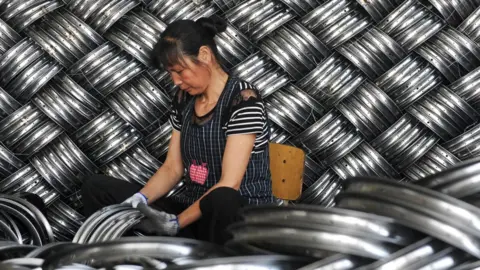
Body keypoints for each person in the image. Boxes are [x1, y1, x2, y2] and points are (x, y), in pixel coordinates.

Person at [80, 15, 275, 245]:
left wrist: (177, 223)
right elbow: (172, 168)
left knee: (223, 198)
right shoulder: (184, 99)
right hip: (192, 213)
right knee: (97, 188)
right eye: (170, 73)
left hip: (237, 218)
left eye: (180, 71)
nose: (176, 81)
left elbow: (229, 183)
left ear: (205, 55)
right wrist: (138, 200)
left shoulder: (243, 99)